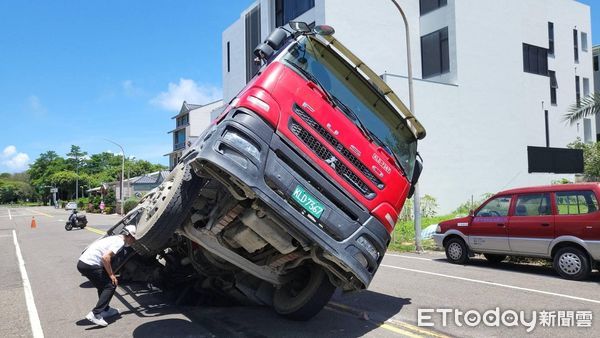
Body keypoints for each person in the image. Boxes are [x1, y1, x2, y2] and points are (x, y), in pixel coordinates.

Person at [77, 225, 136, 326]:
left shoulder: (115, 238)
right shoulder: (120, 242)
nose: (134, 241)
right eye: (134, 238)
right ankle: (95, 314)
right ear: (128, 235)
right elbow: (105, 258)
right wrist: (112, 275)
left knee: (102, 285)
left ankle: (105, 309)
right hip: (90, 264)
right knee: (111, 284)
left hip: (82, 263)